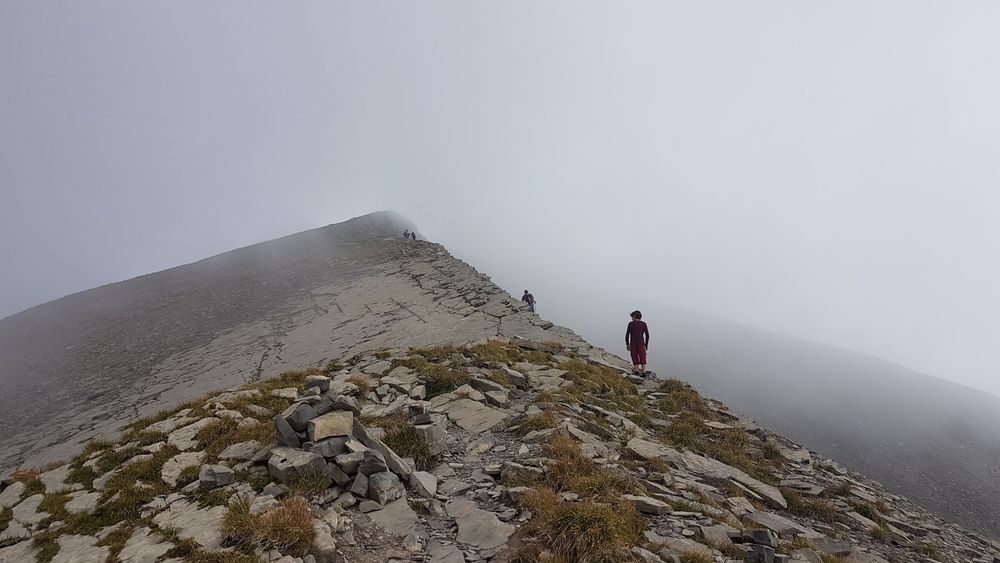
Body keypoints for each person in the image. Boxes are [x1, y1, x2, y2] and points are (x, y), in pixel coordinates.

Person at [625, 310, 649, 376]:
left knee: (634, 356)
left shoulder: (630, 324)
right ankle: (644, 372)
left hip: (633, 343)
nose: (631, 318)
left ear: (634, 316)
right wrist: (646, 345)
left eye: (632, 317)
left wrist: (627, 344)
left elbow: (627, 335)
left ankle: (636, 371)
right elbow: (647, 335)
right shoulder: (644, 324)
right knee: (643, 357)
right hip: (641, 343)